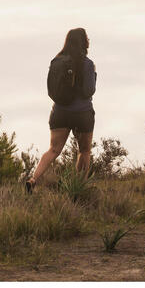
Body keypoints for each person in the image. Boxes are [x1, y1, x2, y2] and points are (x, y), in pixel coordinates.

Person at [27, 27, 96, 191]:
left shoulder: (57, 61)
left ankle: (33, 179)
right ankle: (78, 187)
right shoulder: (87, 64)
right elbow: (89, 90)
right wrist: (93, 74)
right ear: (84, 42)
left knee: (53, 150)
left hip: (60, 112)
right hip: (82, 113)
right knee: (84, 151)